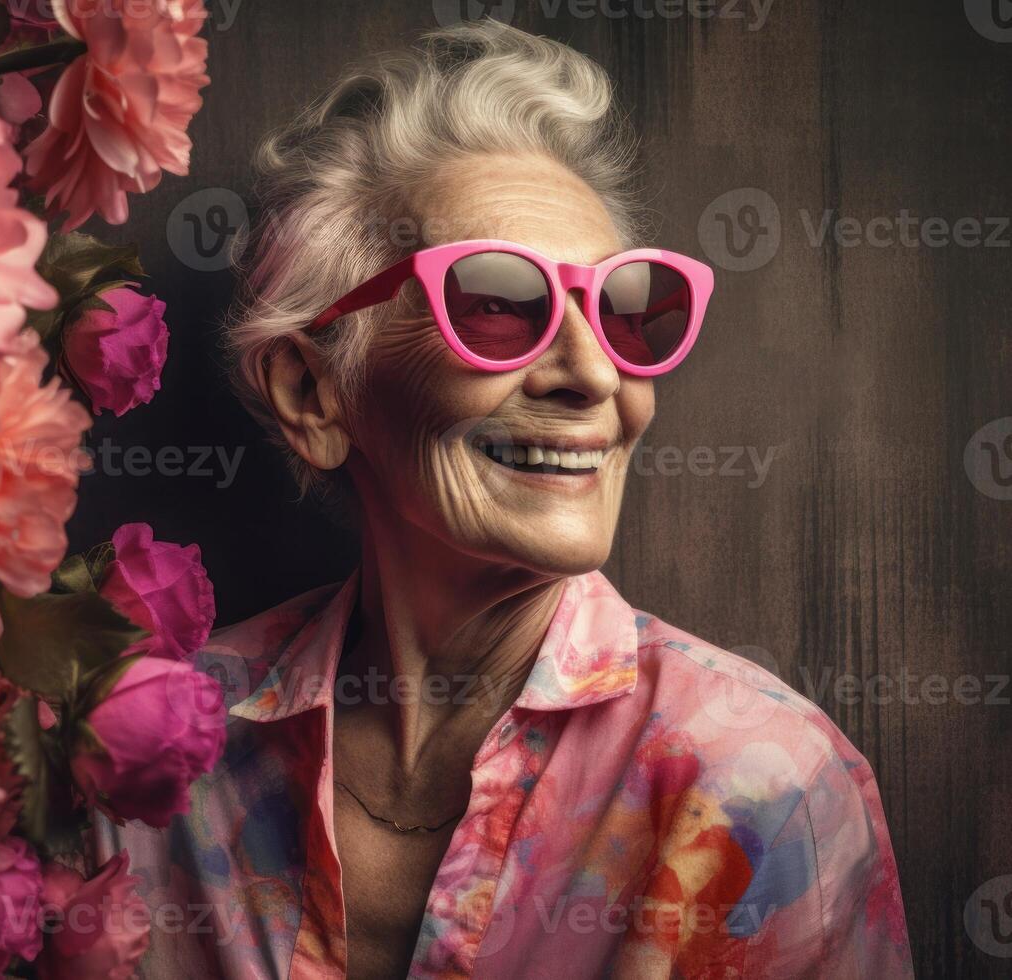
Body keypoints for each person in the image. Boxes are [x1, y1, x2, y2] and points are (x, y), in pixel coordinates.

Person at [92, 20, 912, 979]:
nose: (594, 376)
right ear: (315, 394)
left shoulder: (763, 792)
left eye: (621, 308)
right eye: (494, 302)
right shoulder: (153, 751)